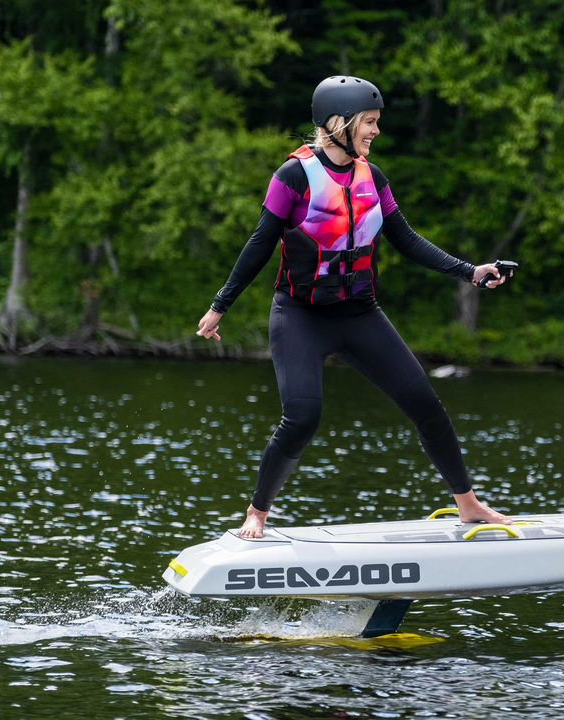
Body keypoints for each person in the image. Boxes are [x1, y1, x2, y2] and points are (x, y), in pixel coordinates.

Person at [196, 75, 513, 538]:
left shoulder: (372, 177)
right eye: (369, 122)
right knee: (302, 416)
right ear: (338, 123)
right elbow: (260, 243)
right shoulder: (293, 176)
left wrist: (470, 270)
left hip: (359, 313)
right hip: (300, 315)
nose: (376, 132)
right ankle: (257, 513)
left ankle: (468, 505)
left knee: (426, 404)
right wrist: (220, 305)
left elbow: (406, 240)